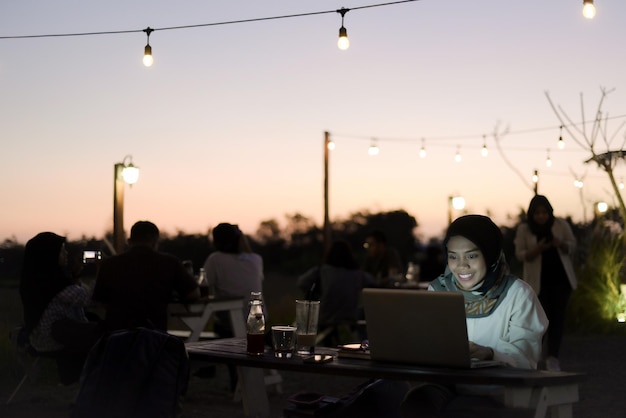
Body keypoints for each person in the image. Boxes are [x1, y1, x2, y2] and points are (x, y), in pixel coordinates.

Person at [400, 215, 548, 416]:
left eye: (471, 256)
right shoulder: (440, 290)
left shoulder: (518, 294)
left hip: (499, 390)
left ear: (490, 254)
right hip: (447, 384)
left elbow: (526, 359)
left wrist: (489, 353)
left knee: (462, 411)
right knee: (415, 402)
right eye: (453, 256)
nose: (461, 266)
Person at [19, 232, 103, 384]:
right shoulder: (53, 283)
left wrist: (76, 275)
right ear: (50, 255)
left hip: (40, 337)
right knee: (102, 334)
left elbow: (73, 295)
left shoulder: (40, 278)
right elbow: (89, 298)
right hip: (52, 339)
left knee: (94, 324)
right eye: (62, 250)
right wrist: (101, 270)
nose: (66, 253)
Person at [92, 221, 199, 332]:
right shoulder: (169, 262)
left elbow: (101, 300)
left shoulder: (109, 264)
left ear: (129, 241)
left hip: (117, 338)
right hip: (154, 338)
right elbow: (193, 294)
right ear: (155, 242)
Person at [514, 195, 578, 372]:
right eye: (537, 213)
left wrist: (561, 244)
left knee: (557, 319)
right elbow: (520, 254)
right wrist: (537, 249)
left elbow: (572, 245)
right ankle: (535, 356)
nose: (541, 216)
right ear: (532, 214)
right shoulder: (525, 229)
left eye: (544, 212)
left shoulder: (560, 225)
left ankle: (553, 357)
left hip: (561, 280)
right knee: (539, 321)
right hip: (537, 283)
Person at [202, 222, 264, 390]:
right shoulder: (256, 259)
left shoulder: (215, 259)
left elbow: (205, 285)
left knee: (220, 321)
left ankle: (219, 369)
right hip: (258, 323)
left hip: (232, 322)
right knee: (228, 320)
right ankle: (230, 373)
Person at [298, 239, 375, 345]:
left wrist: (318, 291)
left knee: (327, 341)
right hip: (350, 317)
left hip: (326, 316)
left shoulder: (322, 270)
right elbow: (373, 282)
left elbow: (302, 282)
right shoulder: (358, 274)